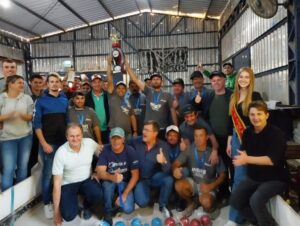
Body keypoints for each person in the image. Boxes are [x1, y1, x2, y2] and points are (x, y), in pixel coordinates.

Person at [230, 101, 288, 226]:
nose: (255, 118)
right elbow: (243, 151)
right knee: (235, 200)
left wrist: (246, 159)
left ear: (267, 115)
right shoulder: (247, 132)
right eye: (252, 115)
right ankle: (258, 221)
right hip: (254, 177)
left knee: (255, 200)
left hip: (275, 179)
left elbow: (271, 160)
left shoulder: (276, 133)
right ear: (249, 116)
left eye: (259, 114)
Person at [225, 67, 263, 226]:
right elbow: (230, 120)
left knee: (241, 178)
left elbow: (260, 121)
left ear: (251, 79)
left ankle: (235, 218)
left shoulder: (255, 96)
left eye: (247, 77)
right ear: (237, 79)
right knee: (238, 177)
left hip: (249, 139)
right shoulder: (233, 97)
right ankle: (242, 214)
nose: (243, 80)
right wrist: (229, 141)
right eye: (241, 77)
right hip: (235, 138)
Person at [52, 124, 103, 226]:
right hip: (68, 183)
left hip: (87, 179)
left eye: (78, 135)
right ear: (67, 137)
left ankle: (85, 205)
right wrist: (56, 212)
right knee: (68, 216)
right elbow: (56, 185)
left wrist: (97, 171)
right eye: (72, 136)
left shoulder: (89, 143)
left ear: (82, 135)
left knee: (98, 194)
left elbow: (103, 155)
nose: (75, 139)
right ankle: (75, 202)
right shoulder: (60, 153)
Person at [33, 73, 68, 219]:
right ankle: (47, 203)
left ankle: (59, 201)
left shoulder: (64, 100)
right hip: (49, 144)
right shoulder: (41, 101)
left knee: (62, 174)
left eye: (56, 81)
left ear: (60, 83)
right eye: (51, 82)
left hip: (63, 144)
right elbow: (37, 125)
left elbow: (66, 122)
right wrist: (44, 143)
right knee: (48, 175)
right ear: (47, 84)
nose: (54, 84)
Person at [172, 126, 226, 218]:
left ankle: (210, 207)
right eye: (196, 136)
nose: (198, 138)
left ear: (207, 137)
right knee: (178, 185)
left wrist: (211, 186)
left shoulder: (213, 153)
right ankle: (191, 202)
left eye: (201, 135)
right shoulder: (189, 150)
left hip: (208, 185)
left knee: (206, 202)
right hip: (194, 183)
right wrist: (174, 170)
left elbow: (223, 174)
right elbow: (175, 163)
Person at [128, 120, 173, 217]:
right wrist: (105, 147)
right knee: (143, 202)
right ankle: (149, 193)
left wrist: (163, 162)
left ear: (155, 133)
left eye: (147, 130)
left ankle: (163, 205)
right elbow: (121, 145)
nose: (144, 132)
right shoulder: (135, 141)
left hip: (154, 177)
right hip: (140, 179)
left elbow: (167, 169)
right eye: (144, 129)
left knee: (168, 180)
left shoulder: (163, 146)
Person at [201, 71, 233, 202]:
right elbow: (203, 116)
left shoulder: (232, 96)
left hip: (229, 137)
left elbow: (234, 119)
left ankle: (234, 193)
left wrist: (231, 138)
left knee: (231, 166)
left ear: (224, 81)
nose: (216, 83)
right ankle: (222, 192)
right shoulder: (208, 96)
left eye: (219, 80)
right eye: (213, 81)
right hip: (213, 137)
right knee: (217, 166)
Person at [96, 127, 139, 225]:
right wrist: (112, 177)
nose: (116, 141)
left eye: (118, 138)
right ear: (110, 139)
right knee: (107, 185)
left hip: (124, 182)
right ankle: (108, 211)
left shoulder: (130, 151)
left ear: (123, 139)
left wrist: (124, 194)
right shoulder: (105, 150)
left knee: (128, 209)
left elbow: (135, 176)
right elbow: (100, 172)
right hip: (110, 180)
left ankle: (116, 199)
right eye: (113, 138)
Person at [126, 60, 178, 139]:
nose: (156, 81)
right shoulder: (148, 91)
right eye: (154, 79)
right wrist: (127, 66)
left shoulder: (167, 95)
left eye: (158, 79)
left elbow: (172, 111)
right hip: (149, 129)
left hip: (162, 129)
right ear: (151, 82)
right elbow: (135, 79)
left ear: (162, 82)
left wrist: (176, 126)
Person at [0, 75, 33, 191]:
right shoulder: (1, 98)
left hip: (25, 137)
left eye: (22, 83)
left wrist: (21, 115)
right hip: (7, 139)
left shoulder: (27, 98)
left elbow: (30, 116)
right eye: (19, 82)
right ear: (10, 84)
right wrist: (8, 116)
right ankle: (5, 198)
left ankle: (20, 195)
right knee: (9, 168)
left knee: (23, 167)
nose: (22, 85)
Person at [106, 58, 138, 138]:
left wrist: (135, 131)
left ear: (126, 89)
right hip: (114, 133)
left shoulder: (128, 100)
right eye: (119, 88)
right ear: (115, 89)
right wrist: (109, 64)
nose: (121, 90)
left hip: (128, 133)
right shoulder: (111, 97)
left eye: (123, 88)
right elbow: (109, 79)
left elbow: (132, 116)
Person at [85, 74, 110, 144]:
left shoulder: (107, 95)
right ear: (91, 84)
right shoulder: (86, 97)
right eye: (94, 82)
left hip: (107, 129)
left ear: (102, 83)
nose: (97, 84)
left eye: (99, 82)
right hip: (92, 130)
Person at [28, 74, 45, 175]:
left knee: (42, 156)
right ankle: (29, 178)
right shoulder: (27, 98)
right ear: (30, 83)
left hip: (43, 130)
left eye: (40, 82)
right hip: (30, 131)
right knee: (31, 156)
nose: (38, 85)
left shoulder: (45, 97)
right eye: (35, 82)